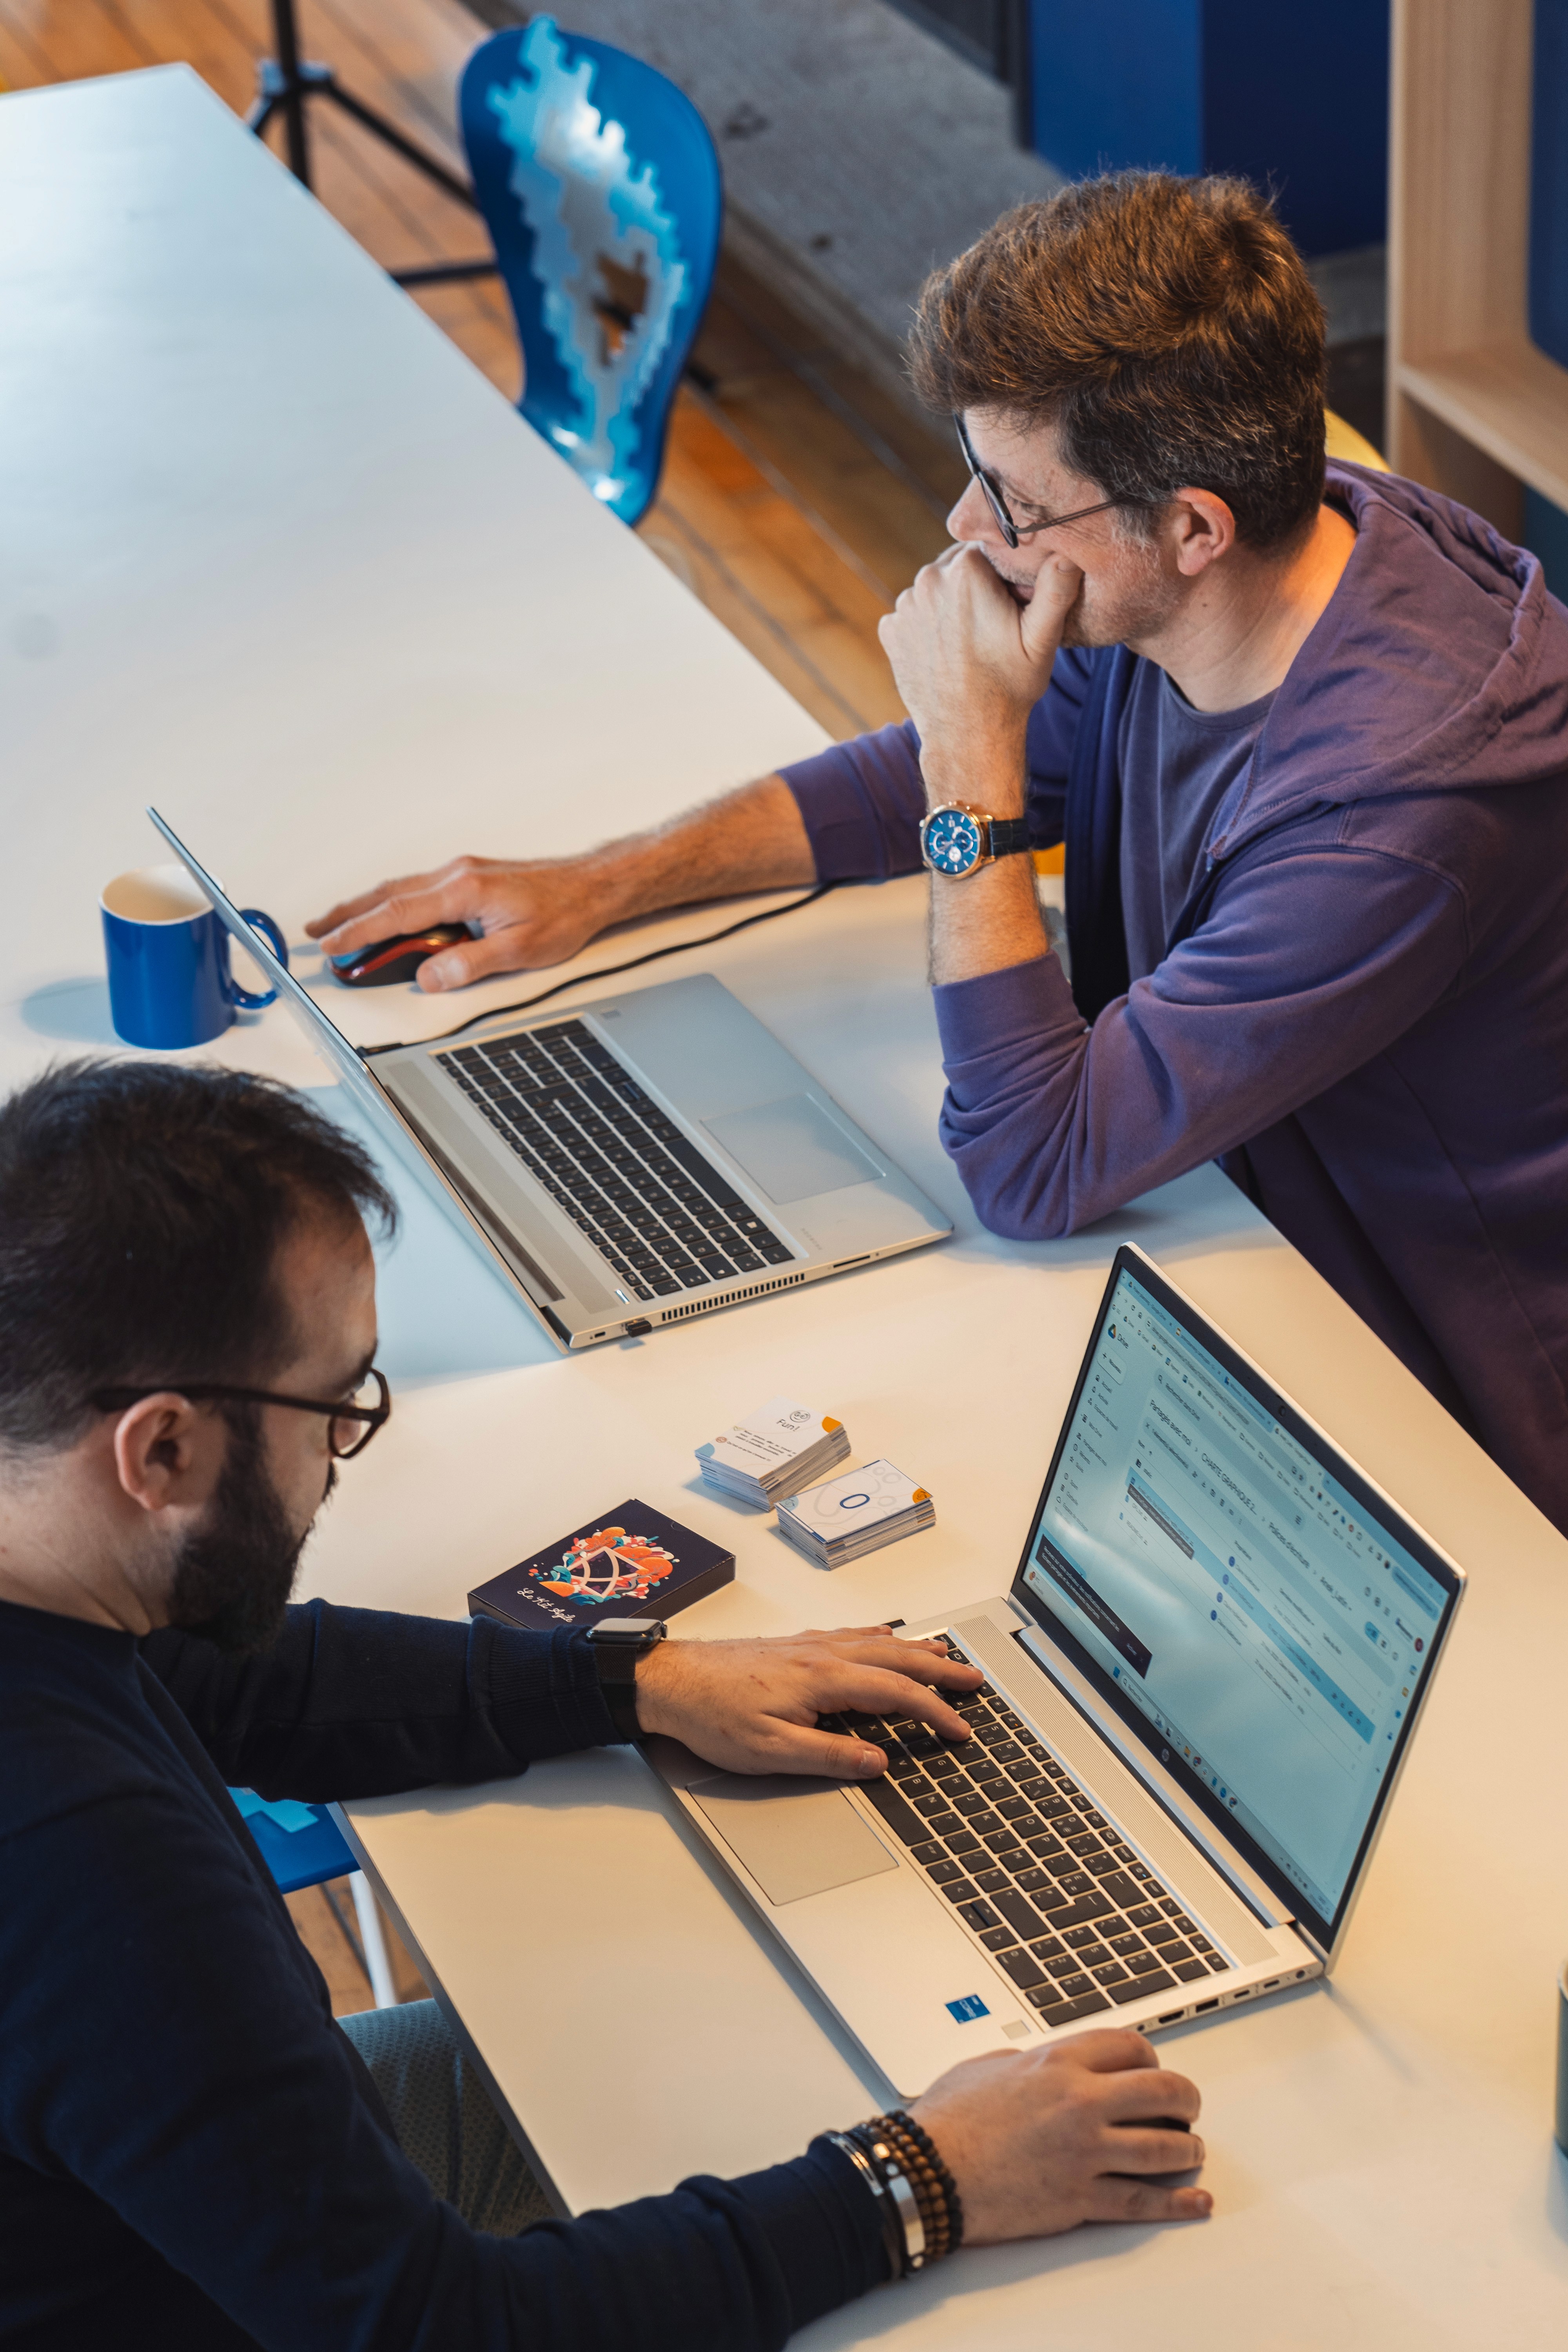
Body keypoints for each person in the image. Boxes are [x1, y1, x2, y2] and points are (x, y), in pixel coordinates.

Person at [309, 169, 1568, 1537]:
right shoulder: (1263, 550)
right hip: (1229, 1218)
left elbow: (1035, 1165)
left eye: (1014, 504)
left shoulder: (1394, 816)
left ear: (1194, 527)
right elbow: (939, 771)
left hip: (1426, 1390)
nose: (968, 532)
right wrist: (608, 881)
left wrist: (969, 759)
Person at [0, 1059, 1209, 2352]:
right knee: (755, 2110)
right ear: (163, 1450)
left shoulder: (49, 1564)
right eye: (337, 1407)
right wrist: (924, 2183)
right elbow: (439, 2329)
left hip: (140, 2222)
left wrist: (637, 1679)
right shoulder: (86, 1868)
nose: (342, 1457)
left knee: (708, 2053)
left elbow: (250, 1679)